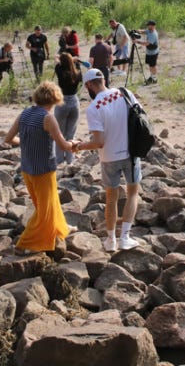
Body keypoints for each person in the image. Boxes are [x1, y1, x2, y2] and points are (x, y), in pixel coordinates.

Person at [2, 81, 78, 252]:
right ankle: (25, 243)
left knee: (48, 202)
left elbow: (8, 139)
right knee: (45, 210)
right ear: (54, 99)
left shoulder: (25, 113)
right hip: (43, 169)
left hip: (28, 168)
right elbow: (63, 145)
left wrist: (26, 143)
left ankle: (62, 228)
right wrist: (75, 143)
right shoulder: (48, 118)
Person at [73, 68, 141, 251]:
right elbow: (140, 117)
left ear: (88, 85)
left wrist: (80, 146)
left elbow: (99, 142)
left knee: (111, 198)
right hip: (131, 152)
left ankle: (111, 240)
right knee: (133, 193)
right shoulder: (125, 93)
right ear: (103, 79)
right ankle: (125, 237)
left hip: (109, 157)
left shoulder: (94, 107)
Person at [53, 52, 83, 165]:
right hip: (74, 101)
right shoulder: (77, 73)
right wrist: (75, 61)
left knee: (59, 133)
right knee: (71, 133)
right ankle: (70, 159)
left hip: (62, 102)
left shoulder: (60, 72)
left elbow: (57, 63)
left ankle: (59, 160)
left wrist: (58, 57)